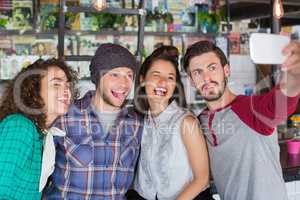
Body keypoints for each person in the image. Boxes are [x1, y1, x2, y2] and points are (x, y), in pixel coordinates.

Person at [183, 40, 300, 200]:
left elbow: (283, 101)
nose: (206, 78)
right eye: (197, 72)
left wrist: (295, 74)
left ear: (226, 70)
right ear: (191, 81)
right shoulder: (200, 122)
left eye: (212, 68)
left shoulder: (251, 109)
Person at [43, 43, 144, 199]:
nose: (124, 84)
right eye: (115, 74)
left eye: (129, 75)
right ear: (98, 77)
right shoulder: (64, 117)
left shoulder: (137, 124)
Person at [131, 46, 211, 200]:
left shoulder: (186, 122)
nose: (162, 82)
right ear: (142, 79)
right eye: (156, 75)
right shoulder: (141, 121)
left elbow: (202, 179)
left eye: (170, 78)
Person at [0, 58, 75, 199]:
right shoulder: (20, 127)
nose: (66, 91)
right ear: (34, 90)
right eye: (56, 84)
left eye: (67, 85)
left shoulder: (39, 134)